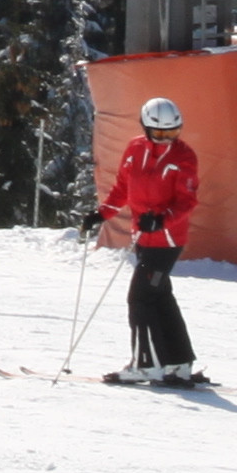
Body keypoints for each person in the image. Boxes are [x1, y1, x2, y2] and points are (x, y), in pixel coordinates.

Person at [97, 95, 206, 387]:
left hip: (166, 242)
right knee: (159, 296)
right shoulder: (135, 149)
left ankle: (146, 364)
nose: (166, 139)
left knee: (140, 297)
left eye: (172, 132)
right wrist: (101, 214)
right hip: (143, 237)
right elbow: (123, 187)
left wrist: (161, 220)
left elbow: (186, 201)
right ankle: (178, 362)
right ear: (145, 127)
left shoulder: (184, 157)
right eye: (159, 133)